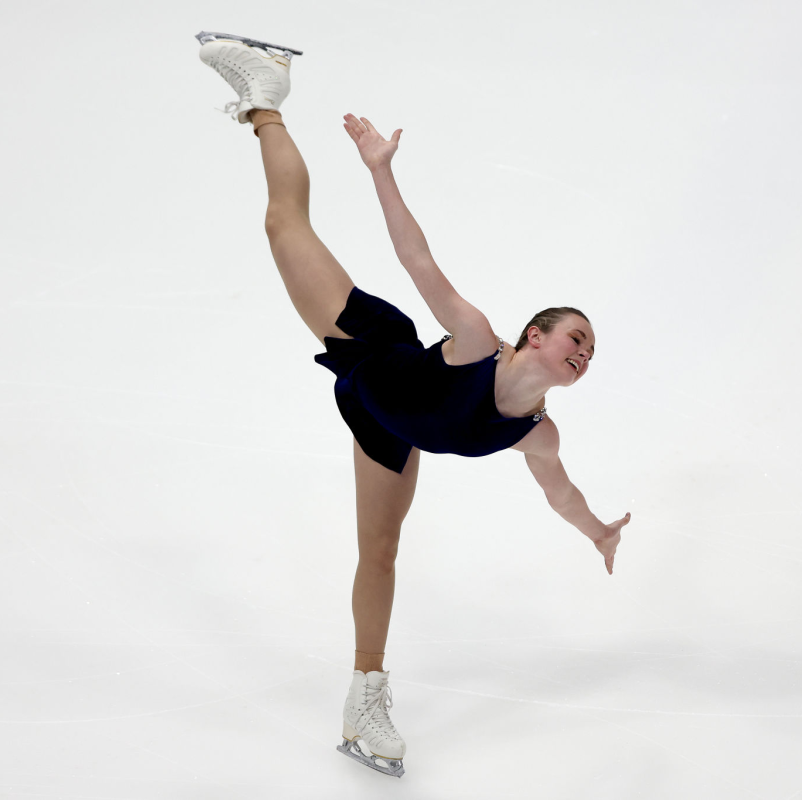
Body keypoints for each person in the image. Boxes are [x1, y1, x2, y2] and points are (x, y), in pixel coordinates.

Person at [194, 31, 631, 778]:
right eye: (576, 339)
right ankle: (266, 98)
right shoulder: (474, 338)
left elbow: (562, 495)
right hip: (370, 349)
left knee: (380, 553)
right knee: (283, 225)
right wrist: (379, 171)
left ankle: (366, 697)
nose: (583, 354)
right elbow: (416, 258)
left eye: (590, 352)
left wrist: (598, 533)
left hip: (386, 425)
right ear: (535, 336)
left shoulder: (538, 434)